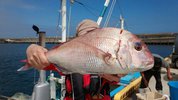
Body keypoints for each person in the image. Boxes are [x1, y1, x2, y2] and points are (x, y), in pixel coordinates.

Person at [26, 19, 122, 100]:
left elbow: (117, 77)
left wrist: (115, 74)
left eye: (93, 37)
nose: (90, 43)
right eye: (85, 38)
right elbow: (44, 62)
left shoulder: (107, 57)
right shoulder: (68, 56)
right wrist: (32, 49)